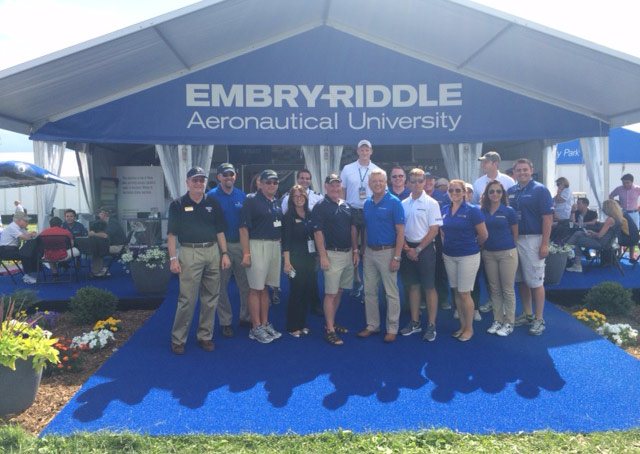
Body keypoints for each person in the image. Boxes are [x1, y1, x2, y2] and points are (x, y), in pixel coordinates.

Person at [167, 167, 231, 355]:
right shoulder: (178, 204)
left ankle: (205, 336)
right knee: (187, 298)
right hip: (189, 251)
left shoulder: (213, 202)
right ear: (187, 182)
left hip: (212, 251)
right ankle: (179, 339)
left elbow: (220, 231)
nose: (199, 183)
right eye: (195, 180)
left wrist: (225, 253)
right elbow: (171, 234)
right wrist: (173, 258)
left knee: (211, 297)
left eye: (202, 180)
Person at [357, 169, 405, 343]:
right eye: (374, 181)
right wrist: (363, 250)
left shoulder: (394, 202)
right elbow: (366, 228)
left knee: (391, 293)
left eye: (380, 181)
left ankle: (392, 328)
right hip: (369, 252)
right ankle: (372, 325)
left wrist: (397, 257)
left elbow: (401, 232)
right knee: (369, 291)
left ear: (386, 183)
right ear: (369, 184)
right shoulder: (368, 203)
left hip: (388, 252)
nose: (377, 184)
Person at [508, 158, 554, 336]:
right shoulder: (511, 191)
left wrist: (544, 243)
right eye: (518, 170)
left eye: (525, 170)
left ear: (531, 170)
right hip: (515, 239)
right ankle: (527, 314)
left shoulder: (540, 190)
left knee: (535, 281)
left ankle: (539, 318)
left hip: (534, 239)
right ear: (514, 172)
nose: (522, 173)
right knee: (520, 279)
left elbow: (547, 218)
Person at [312, 174, 358, 346]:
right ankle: (330, 330)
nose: (335, 188)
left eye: (338, 185)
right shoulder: (320, 207)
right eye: (332, 185)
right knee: (330, 293)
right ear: (325, 186)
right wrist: (323, 256)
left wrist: (355, 250)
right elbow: (318, 233)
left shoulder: (346, 205)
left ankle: (329, 322)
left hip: (347, 254)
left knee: (339, 291)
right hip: (331, 255)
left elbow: (353, 229)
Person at [440, 180, 488, 342]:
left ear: (464, 192)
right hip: (449, 255)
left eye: (458, 190)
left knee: (464, 293)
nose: (454, 193)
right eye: (451, 190)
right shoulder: (445, 209)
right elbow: (442, 231)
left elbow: (483, 235)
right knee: (456, 292)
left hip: (468, 255)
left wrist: (473, 245)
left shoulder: (473, 211)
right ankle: (462, 325)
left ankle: (469, 328)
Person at [240, 169, 284, 343]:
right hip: (257, 245)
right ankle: (255, 327)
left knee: (265, 287)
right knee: (255, 288)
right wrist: (246, 253)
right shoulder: (251, 200)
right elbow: (243, 228)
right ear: (260, 183)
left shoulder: (276, 202)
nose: (272, 185)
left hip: (274, 246)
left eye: (275, 182)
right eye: (268, 182)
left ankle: (264, 323)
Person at [398, 168, 442, 341]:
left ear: (425, 182)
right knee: (413, 286)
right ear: (408, 183)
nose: (416, 184)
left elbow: (434, 230)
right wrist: (408, 248)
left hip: (425, 250)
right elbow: (400, 229)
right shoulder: (403, 204)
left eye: (420, 180)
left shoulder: (432, 203)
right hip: (408, 249)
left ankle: (431, 324)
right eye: (413, 180)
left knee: (429, 287)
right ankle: (415, 322)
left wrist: (417, 250)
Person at [207, 163, 251, 336]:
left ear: (235, 176)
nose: (228, 177)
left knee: (245, 284)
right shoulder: (210, 197)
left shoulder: (242, 195)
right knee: (221, 286)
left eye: (231, 174)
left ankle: (246, 316)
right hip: (220, 248)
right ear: (218, 177)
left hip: (241, 245)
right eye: (224, 174)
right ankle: (225, 321)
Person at [340, 139, 381, 298]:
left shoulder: (376, 170)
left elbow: (380, 192)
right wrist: (341, 208)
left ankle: (367, 283)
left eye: (367, 150)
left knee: (367, 248)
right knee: (353, 247)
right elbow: (342, 190)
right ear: (357, 151)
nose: (364, 152)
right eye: (361, 150)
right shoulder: (348, 168)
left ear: (371, 151)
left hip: (369, 211)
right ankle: (356, 279)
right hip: (351, 209)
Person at [480, 181, 519, 337]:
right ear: (487, 194)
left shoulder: (509, 211)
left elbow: (515, 232)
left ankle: (509, 322)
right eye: (491, 191)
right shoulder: (482, 211)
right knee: (495, 289)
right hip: (489, 254)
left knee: (507, 289)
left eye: (498, 191)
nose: (495, 194)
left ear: (502, 194)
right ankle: (497, 320)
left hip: (507, 253)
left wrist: (510, 248)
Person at [282, 185, 318, 338]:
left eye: (301, 196)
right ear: (291, 199)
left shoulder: (310, 215)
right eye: (295, 196)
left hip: (309, 259)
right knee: (296, 292)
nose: (299, 199)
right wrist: (287, 262)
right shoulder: (288, 217)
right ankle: (292, 326)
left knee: (306, 292)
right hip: (294, 260)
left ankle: (302, 324)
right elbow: (286, 242)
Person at [566, 199, 625, 273]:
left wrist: (592, 234)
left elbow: (599, 236)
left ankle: (574, 261)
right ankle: (567, 249)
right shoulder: (617, 219)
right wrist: (592, 233)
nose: (603, 209)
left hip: (601, 243)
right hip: (607, 242)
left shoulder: (610, 219)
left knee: (576, 241)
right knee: (578, 233)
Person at [88, 206, 127, 277]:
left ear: (104, 214)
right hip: (114, 244)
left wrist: (94, 234)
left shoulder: (112, 223)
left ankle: (98, 271)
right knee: (98, 247)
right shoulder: (107, 222)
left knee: (97, 249)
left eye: (99, 213)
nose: (98, 215)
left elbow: (105, 235)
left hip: (119, 246)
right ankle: (101, 269)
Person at [0, 211, 38, 283]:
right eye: (25, 221)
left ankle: (31, 272)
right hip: (5, 251)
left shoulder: (20, 227)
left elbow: (27, 234)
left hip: (11, 250)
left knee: (28, 252)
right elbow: (24, 237)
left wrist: (32, 234)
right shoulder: (12, 227)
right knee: (25, 254)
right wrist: (32, 234)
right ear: (18, 220)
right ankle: (27, 276)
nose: (27, 222)